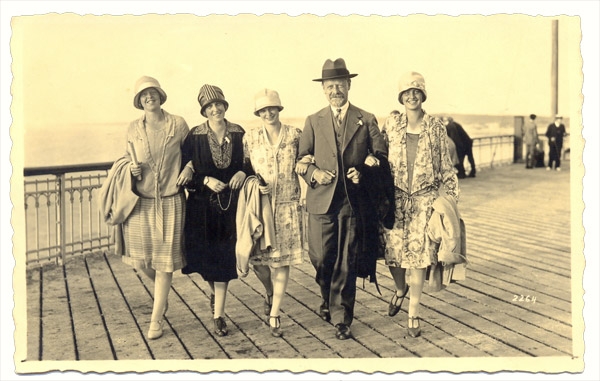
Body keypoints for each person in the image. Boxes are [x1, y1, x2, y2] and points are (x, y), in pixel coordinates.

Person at [297, 58, 388, 340]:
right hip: (321, 201)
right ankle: (327, 297)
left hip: (353, 201)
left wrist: (366, 168)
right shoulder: (313, 120)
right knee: (321, 257)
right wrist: (314, 174)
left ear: (349, 85)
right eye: (330, 86)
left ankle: (341, 317)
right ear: (323, 89)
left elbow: (381, 157)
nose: (335, 90)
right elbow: (300, 160)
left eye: (340, 84)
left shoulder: (367, 118)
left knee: (346, 260)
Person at [105, 76, 191, 340]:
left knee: (165, 263)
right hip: (140, 201)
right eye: (143, 95)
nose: (148, 97)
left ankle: (156, 318)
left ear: (160, 95)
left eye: (152, 93)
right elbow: (127, 155)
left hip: (171, 199)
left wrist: (189, 168)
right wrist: (129, 167)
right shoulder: (133, 127)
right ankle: (160, 296)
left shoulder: (178, 123)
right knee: (141, 260)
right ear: (139, 101)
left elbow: (193, 154)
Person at [383, 72, 459, 338]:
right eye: (407, 92)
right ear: (401, 97)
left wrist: (449, 202)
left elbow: (447, 169)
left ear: (423, 95)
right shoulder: (391, 125)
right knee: (393, 256)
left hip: (425, 203)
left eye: (416, 91)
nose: (411, 96)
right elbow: (379, 159)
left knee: (418, 260)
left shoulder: (436, 127)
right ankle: (400, 289)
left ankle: (413, 312)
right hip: (395, 200)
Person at [180, 84, 250, 337]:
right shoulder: (195, 135)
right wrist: (205, 180)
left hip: (230, 207)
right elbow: (184, 171)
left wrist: (243, 172)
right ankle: (215, 296)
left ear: (224, 105)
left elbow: (251, 163)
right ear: (204, 111)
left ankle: (218, 315)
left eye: (218, 104)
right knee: (205, 261)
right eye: (209, 106)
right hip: (201, 208)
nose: (215, 109)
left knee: (223, 261)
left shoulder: (239, 132)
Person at [240, 89, 304, 338]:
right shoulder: (251, 138)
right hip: (261, 208)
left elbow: (307, 160)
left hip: (288, 207)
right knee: (259, 263)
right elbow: (245, 170)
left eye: (272, 108)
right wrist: (256, 182)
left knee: (282, 262)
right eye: (263, 110)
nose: (268, 113)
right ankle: (269, 292)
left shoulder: (295, 135)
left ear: (279, 109)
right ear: (258, 113)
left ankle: (275, 313)